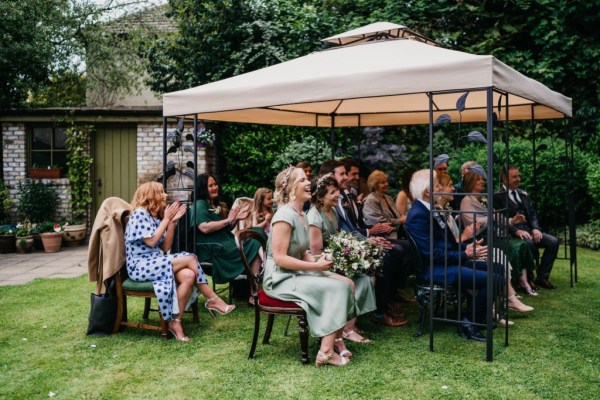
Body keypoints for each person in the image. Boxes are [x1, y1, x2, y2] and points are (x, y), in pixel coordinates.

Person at [263, 166, 355, 367]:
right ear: (290, 189)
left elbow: (303, 251)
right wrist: (316, 268)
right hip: (280, 279)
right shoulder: (284, 216)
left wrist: (320, 262)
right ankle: (326, 352)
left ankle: (333, 339)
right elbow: (279, 258)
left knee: (347, 283)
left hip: (295, 272)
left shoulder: (301, 214)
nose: (308, 183)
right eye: (303, 180)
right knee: (337, 288)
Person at [125, 182, 235, 342]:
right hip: (140, 267)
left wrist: (172, 223)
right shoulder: (139, 214)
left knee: (189, 275)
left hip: (155, 263)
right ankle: (212, 299)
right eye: (161, 192)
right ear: (150, 196)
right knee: (191, 257)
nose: (165, 195)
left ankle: (175, 321)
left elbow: (165, 246)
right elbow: (151, 242)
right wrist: (167, 219)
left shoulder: (153, 216)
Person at [406, 170, 505, 341]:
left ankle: (476, 316)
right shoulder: (418, 215)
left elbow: (447, 245)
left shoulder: (431, 210)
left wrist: (467, 248)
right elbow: (432, 254)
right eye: (438, 185)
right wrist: (465, 254)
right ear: (428, 192)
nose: (441, 188)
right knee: (494, 279)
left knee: (498, 267)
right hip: (436, 269)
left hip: (447, 262)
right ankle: (468, 322)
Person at [320, 160, 409, 328]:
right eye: (343, 174)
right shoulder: (328, 203)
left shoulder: (345, 197)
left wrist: (371, 233)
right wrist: (369, 235)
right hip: (342, 248)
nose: (347, 177)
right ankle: (380, 311)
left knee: (404, 247)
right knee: (390, 254)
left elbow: (355, 226)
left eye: (348, 173)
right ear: (329, 177)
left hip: (353, 241)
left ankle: (389, 297)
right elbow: (340, 233)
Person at [307, 174, 377, 343]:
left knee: (367, 277)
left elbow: (337, 238)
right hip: (319, 265)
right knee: (351, 280)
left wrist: (352, 253)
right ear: (320, 197)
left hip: (333, 260)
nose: (337, 194)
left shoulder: (332, 212)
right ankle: (346, 329)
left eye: (336, 190)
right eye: (332, 192)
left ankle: (348, 325)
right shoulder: (314, 217)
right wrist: (341, 262)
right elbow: (316, 253)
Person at [459, 169, 538, 298]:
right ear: (471, 182)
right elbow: (474, 224)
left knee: (521, 245)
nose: (483, 181)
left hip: (492, 235)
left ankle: (522, 281)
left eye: (482, 179)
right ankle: (511, 285)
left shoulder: (483, 198)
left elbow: (497, 217)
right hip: (479, 239)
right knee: (514, 247)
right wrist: (491, 216)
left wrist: (512, 220)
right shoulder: (466, 201)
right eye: (479, 179)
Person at [494, 165, 560, 289]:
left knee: (553, 242)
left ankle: (542, 277)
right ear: (504, 179)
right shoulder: (497, 196)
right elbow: (499, 220)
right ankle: (527, 279)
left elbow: (532, 214)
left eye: (519, 176)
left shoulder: (522, 193)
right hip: (512, 233)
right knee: (528, 243)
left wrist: (536, 228)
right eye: (514, 177)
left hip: (529, 230)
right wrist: (517, 230)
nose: (518, 179)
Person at [190, 174, 262, 286]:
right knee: (255, 240)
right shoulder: (199, 205)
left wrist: (236, 219)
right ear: (202, 188)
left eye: (215, 184)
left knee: (257, 233)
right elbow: (204, 227)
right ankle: (255, 287)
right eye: (210, 186)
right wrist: (229, 219)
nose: (215, 187)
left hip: (226, 245)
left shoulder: (213, 204)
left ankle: (254, 288)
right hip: (216, 250)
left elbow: (225, 227)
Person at [363, 170, 403, 240]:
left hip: (397, 234)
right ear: (375, 185)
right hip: (382, 238)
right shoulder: (371, 200)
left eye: (386, 181)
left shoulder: (388, 198)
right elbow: (380, 223)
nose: (386, 184)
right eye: (383, 183)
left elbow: (397, 215)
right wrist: (400, 221)